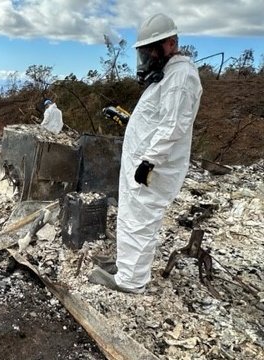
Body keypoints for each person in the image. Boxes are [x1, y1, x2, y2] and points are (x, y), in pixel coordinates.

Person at [89, 13, 202, 293]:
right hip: (142, 161)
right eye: (146, 50)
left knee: (140, 219)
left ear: (171, 43)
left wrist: (149, 161)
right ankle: (125, 264)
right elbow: (157, 118)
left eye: (154, 48)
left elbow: (173, 125)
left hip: (153, 167)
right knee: (129, 215)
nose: (149, 55)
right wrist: (130, 122)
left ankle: (131, 281)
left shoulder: (181, 76)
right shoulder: (168, 75)